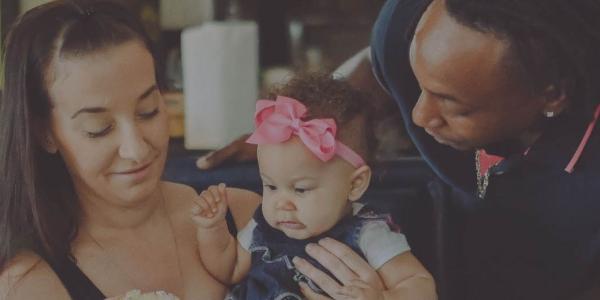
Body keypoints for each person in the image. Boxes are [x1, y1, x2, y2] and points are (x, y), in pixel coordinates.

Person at [195, 0, 600, 299]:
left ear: (551, 95)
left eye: (452, 103)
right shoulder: (402, 28)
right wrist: (303, 141)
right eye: (416, 81)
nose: (420, 116)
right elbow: (377, 69)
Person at [0, 1, 260, 299]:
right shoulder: (31, 284)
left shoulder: (243, 218)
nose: (136, 149)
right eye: (99, 129)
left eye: (148, 111)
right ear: (44, 133)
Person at [191, 74, 437, 300]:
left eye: (300, 189)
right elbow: (230, 269)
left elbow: (421, 284)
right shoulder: (261, 227)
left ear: (355, 184)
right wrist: (212, 229)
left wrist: (383, 298)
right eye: (271, 186)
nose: (281, 203)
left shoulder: (369, 233)